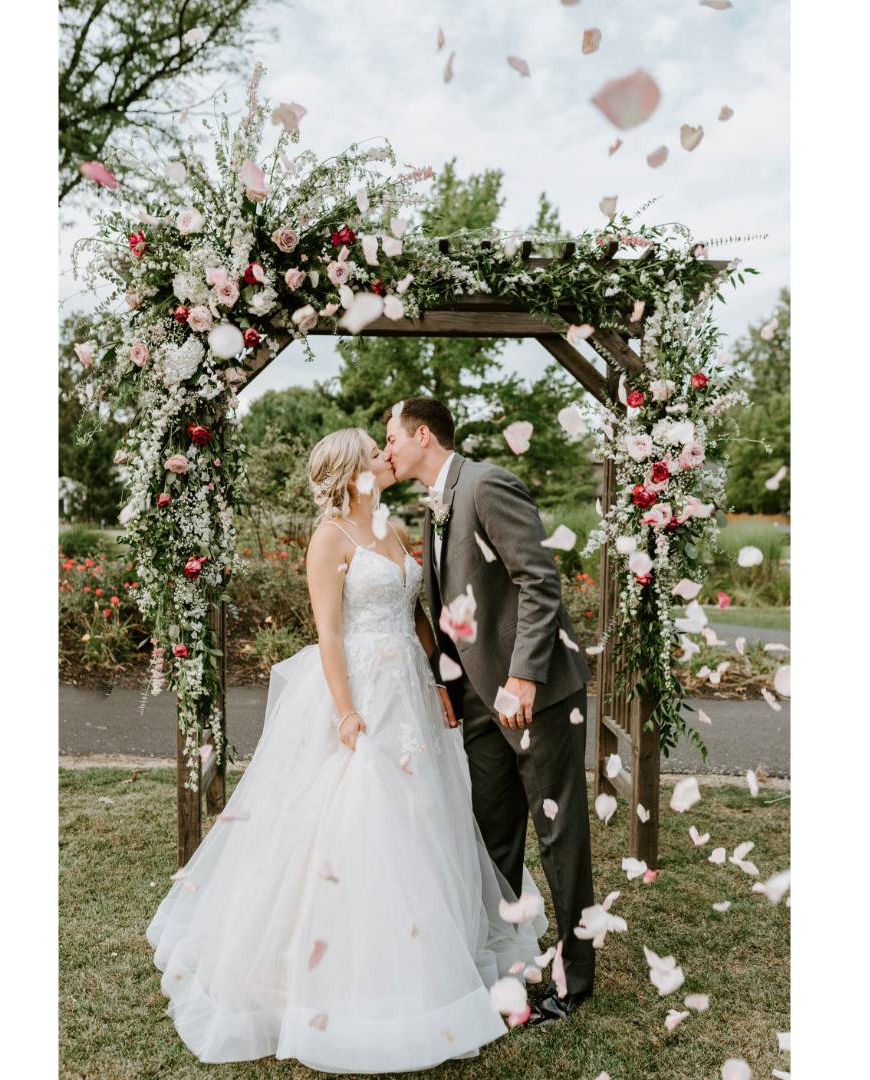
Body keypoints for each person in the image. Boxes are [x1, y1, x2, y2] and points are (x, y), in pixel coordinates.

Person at [146, 427, 546, 1073]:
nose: (387, 456)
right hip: (360, 688)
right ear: (352, 469)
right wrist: (346, 711)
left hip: (409, 691)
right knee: (357, 818)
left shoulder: (391, 526)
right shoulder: (330, 537)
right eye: (375, 451)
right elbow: (328, 632)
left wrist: (438, 680)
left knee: (423, 816)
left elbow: (416, 614)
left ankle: (426, 951)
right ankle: (337, 972)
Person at [383, 397, 597, 1026]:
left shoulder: (486, 484)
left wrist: (524, 677)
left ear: (423, 435)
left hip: (536, 696)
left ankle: (574, 979)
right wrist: (449, 686)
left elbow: (539, 581)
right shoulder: (435, 506)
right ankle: (496, 964)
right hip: (479, 701)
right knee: (487, 833)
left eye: (391, 437)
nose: (387, 449)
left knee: (559, 834)